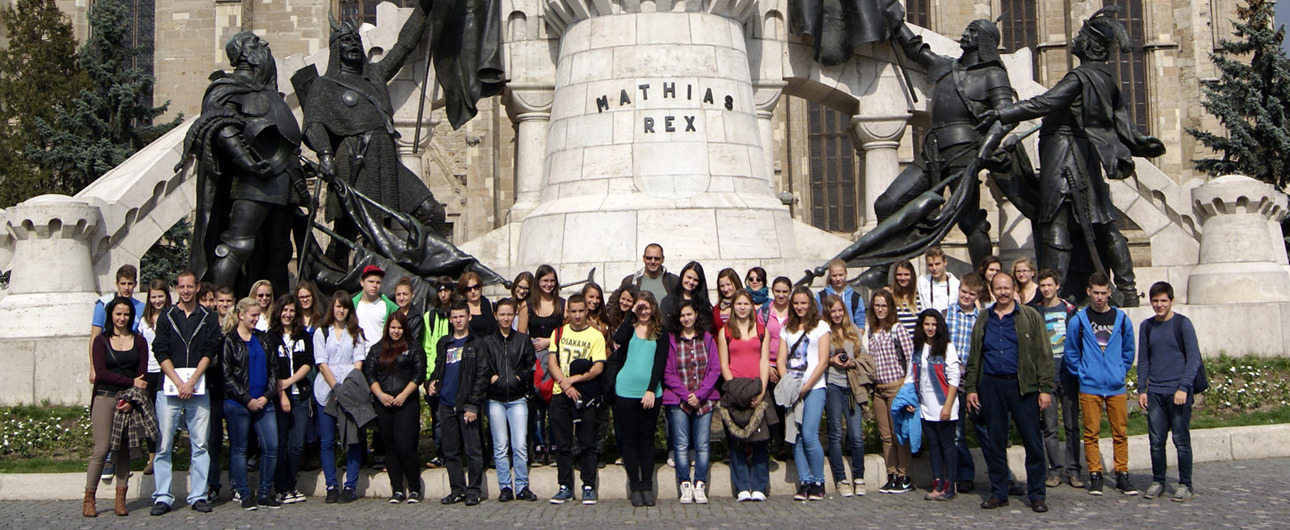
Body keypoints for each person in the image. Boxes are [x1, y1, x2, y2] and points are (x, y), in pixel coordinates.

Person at [982, 8, 1166, 306]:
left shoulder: (1079, 77)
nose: (1076, 40)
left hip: (1063, 155)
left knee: (1055, 220)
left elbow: (1045, 102)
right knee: (1103, 222)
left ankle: (1052, 293)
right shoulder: (1104, 78)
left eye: (1082, 36)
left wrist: (1003, 112)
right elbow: (1120, 119)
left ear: (1092, 46)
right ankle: (1129, 289)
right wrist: (1139, 142)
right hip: (1085, 155)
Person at [301, 0, 446, 254]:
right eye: (346, 41)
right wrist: (325, 155)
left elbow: (403, 46)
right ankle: (335, 274)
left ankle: (415, 264)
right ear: (335, 48)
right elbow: (313, 124)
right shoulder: (324, 86)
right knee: (349, 232)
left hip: (386, 160)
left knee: (432, 212)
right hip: (354, 159)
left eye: (356, 40)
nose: (353, 45)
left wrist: (423, 9)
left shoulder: (375, 75)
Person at [182, 30, 298, 292]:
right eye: (256, 42)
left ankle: (277, 309)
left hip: (286, 177)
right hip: (253, 181)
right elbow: (219, 123)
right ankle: (219, 306)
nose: (264, 44)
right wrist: (246, 160)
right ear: (244, 52)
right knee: (238, 245)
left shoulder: (269, 92)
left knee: (279, 249)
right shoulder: (228, 87)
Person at [964, 272, 1053, 512]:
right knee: (995, 442)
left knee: (1032, 441)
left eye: (1006, 288)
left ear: (1014, 289)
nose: (1002, 293)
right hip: (992, 385)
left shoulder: (1030, 316)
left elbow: (1044, 354)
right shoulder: (984, 318)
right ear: (992, 291)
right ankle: (998, 492)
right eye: (998, 288)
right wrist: (971, 388)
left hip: (1023, 386)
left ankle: (1037, 495)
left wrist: (1045, 388)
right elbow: (974, 356)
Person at [150, 271, 221, 516]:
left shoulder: (208, 317)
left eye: (190, 287)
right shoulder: (167, 315)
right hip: (169, 388)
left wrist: (191, 381)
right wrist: (179, 382)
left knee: (200, 444)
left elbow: (210, 350)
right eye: (182, 287)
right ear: (177, 288)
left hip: (198, 388)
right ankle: (162, 496)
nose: (186, 291)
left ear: (197, 288)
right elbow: (160, 350)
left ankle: (199, 495)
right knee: (164, 445)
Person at [1065, 271, 1137, 496]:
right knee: (1091, 433)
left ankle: (1122, 473)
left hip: (1115, 385)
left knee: (1120, 432)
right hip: (1090, 384)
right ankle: (1095, 474)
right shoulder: (1079, 320)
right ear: (1089, 292)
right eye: (1095, 293)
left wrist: (1119, 370)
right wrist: (1082, 373)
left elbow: (1128, 350)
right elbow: (1071, 351)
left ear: (1109, 293)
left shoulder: (1121, 319)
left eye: (1103, 293)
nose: (1099, 297)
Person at [84, 297, 149, 518]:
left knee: (123, 450)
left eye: (126, 314)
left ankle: (120, 499)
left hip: (128, 400)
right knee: (102, 449)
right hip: (105, 397)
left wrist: (132, 399)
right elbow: (101, 373)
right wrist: (131, 382)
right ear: (111, 315)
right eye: (118, 314)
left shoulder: (139, 341)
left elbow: (142, 374)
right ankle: (89, 497)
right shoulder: (101, 341)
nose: (122, 318)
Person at [221, 298, 286, 511]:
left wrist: (267, 396)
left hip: (263, 401)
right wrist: (246, 399)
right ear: (241, 315)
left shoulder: (263, 338)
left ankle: (265, 493)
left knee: (271, 446)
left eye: (258, 315)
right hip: (239, 403)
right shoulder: (230, 341)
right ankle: (244, 494)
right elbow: (227, 376)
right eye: (253, 315)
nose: (256, 319)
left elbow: (274, 369)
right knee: (240, 449)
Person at [1137, 281, 1199, 502]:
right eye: (1155, 301)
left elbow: (1193, 359)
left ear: (1172, 301)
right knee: (1156, 441)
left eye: (1163, 300)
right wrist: (1141, 389)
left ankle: (1186, 484)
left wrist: (1183, 387)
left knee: (1181, 441)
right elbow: (1144, 360)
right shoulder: (1147, 326)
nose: (1159, 305)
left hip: (1178, 392)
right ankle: (1158, 481)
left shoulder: (1182, 324)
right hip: (1155, 391)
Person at [546, 294, 607, 505]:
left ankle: (588, 486)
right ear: (568, 312)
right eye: (573, 311)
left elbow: (598, 367)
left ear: (586, 311)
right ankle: (564, 486)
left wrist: (573, 380)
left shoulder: (595, 336)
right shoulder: (558, 333)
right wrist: (564, 383)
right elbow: (552, 362)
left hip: (585, 394)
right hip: (560, 393)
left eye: (581, 311)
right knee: (562, 443)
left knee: (586, 441)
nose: (578, 315)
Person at [611, 291, 667, 507]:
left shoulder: (660, 331)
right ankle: (635, 486)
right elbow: (618, 339)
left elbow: (660, 362)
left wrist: (651, 389)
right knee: (630, 439)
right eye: (640, 307)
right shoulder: (630, 327)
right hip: (626, 390)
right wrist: (632, 313)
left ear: (653, 308)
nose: (644, 312)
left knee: (646, 439)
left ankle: (647, 486)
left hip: (650, 393)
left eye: (647, 307)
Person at [364, 312, 426, 504]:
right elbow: (370, 375)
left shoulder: (414, 348)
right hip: (384, 404)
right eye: (393, 328)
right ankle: (397, 489)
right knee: (390, 449)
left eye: (399, 328)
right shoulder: (376, 349)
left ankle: (414, 488)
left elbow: (419, 374)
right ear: (387, 328)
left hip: (406, 403)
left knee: (406, 447)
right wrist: (381, 395)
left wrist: (403, 396)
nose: (396, 331)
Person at [663, 300, 721, 505]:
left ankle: (700, 483)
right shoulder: (672, 340)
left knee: (702, 445)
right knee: (681, 445)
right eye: (682, 315)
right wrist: (687, 395)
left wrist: (700, 394)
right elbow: (668, 373)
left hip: (704, 400)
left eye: (689, 314)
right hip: (679, 400)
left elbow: (715, 369)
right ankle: (685, 483)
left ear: (696, 314)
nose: (686, 318)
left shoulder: (707, 338)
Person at [430, 301, 488, 505]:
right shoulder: (444, 343)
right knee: (451, 451)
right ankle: (457, 489)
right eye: (454, 317)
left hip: (467, 404)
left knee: (473, 450)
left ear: (469, 317)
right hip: (446, 402)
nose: (458, 320)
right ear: (450, 319)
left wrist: (473, 404)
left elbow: (482, 376)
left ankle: (474, 490)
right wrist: (432, 381)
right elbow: (439, 367)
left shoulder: (477, 343)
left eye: (462, 316)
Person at [313, 291, 367, 503]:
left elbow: (358, 362)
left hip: (349, 390)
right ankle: (331, 485)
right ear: (332, 308)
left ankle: (350, 486)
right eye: (338, 306)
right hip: (326, 390)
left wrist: (346, 389)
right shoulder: (321, 332)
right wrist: (335, 388)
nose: (341, 310)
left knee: (352, 439)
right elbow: (321, 363)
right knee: (327, 440)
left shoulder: (356, 333)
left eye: (344, 307)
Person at [481, 298, 538, 502]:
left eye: (509, 314)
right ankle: (505, 486)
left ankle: (522, 486)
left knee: (520, 444)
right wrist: (492, 377)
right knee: (500, 445)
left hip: (517, 397)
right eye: (502, 314)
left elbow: (530, 365)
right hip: (495, 399)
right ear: (495, 316)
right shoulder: (487, 341)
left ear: (514, 316)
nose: (505, 318)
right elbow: (483, 366)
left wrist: (518, 378)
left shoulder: (522, 340)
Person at [718, 290, 772, 501]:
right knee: (737, 441)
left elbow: (764, 361)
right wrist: (734, 389)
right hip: (735, 389)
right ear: (733, 307)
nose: (742, 308)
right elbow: (724, 364)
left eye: (746, 304)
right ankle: (742, 486)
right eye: (738, 304)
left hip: (757, 387)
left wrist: (762, 390)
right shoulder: (725, 331)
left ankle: (758, 486)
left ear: (752, 306)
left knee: (760, 440)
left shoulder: (762, 330)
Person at [778, 287, 831, 501]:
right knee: (796, 436)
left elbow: (823, 360)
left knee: (809, 434)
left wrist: (806, 386)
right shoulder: (787, 328)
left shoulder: (821, 326)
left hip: (814, 387)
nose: (800, 307)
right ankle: (805, 481)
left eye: (804, 303)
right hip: (793, 388)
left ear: (810, 304)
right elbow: (781, 360)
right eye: (796, 303)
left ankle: (819, 481)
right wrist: (788, 383)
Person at [1031, 268, 1083, 488]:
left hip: (1068, 373)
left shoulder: (1070, 310)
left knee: (1072, 426)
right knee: (1050, 427)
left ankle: (1074, 470)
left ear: (1057, 286)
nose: (1046, 289)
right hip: (1047, 376)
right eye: (1042, 285)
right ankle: (1055, 470)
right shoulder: (1036, 311)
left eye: (1049, 285)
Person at [903, 309, 961, 501]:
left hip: (943, 404)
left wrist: (948, 405)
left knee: (947, 445)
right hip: (925, 406)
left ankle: (950, 484)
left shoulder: (947, 347)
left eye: (934, 324)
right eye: (927, 324)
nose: (930, 328)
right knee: (934, 446)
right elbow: (910, 377)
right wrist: (910, 400)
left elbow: (954, 378)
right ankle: (938, 482)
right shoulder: (918, 348)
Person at [266, 294, 314, 504]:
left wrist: (288, 382)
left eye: (292, 310)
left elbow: (308, 363)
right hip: (279, 399)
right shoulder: (270, 337)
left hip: (300, 395)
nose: (288, 314)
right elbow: (271, 368)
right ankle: (281, 487)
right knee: (280, 444)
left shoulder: (303, 336)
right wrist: (282, 392)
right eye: (285, 310)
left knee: (297, 445)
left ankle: (291, 484)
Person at [868, 290, 915, 494]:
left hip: (896, 386)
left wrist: (909, 389)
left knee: (899, 434)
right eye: (877, 305)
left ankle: (905, 475)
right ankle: (892, 473)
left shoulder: (897, 329)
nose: (880, 309)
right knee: (885, 435)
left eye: (884, 306)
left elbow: (910, 358)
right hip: (879, 389)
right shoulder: (871, 331)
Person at [820, 294, 867, 498]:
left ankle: (859, 477)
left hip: (852, 385)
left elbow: (863, 355)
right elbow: (819, 358)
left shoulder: (853, 330)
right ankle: (841, 479)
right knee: (835, 433)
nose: (837, 314)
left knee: (856, 435)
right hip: (832, 384)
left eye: (840, 310)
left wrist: (852, 363)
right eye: (833, 311)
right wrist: (831, 360)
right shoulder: (824, 331)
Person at [518, 265, 563, 467]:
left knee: (554, 403)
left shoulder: (562, 304)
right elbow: (520, 336)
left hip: (555, 358)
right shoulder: (527, 306)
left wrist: (549, 341)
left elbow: (566, 332)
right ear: (538, 282)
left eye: (552, 281)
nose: (548, 284)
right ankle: (538, 447)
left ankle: (553, 446)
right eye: (545, 280)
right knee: (536, 405)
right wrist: (535, 344)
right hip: (534, 359)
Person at [945, 273, 986, 492]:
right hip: (951, 378)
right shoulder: (947, 313)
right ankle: (964, 474)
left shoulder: (982, 318)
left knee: (984, 428)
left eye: (971, 294)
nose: (966, 296)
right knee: (957, 432)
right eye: (963, 292)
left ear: (978, 296)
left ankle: (1000, 474)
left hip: (973, 378)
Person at [89, 265, 146, 385]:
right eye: (123, 283)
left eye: (130, 284)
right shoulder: (103, 304)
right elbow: (94, 336)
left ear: (135, 284)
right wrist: (92, 368)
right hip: (109, 358)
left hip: (131, 360)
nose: (126, 288)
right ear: (117, 284)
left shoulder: (141, 307)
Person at [139, 279, 172, 475]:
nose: (157, 300)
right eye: (154, 297)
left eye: (161, 296)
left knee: (166, 415)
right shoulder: (144, 321)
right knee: (149, 416)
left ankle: (165, 452)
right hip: (149, 371)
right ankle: (152, 456)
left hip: (167, 371)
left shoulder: (172, 316)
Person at [422, 276, 456, 469]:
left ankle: (456, 453)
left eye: (446, 290)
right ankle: (440, 453)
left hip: (453, 371)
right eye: (440, 291)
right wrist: (429, 376)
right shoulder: (430, 317)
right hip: (435, 373)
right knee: (437, 418)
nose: (443, 294)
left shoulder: (456, 314)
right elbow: (427, 347)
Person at [755, 276, 791, 459]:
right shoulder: (764, 312)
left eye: (785, 291)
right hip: (770, 365)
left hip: (792, 366)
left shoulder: (795, 311)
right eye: (777, 291)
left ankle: (792, 444)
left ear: (790, 292)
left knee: (789, 407)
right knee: (774, 406)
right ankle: (778, 444)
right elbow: (759, 340)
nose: (781, 295)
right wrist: (768, 367)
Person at [816, 259, 866, 333]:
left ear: (846, 274)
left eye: (841, 275)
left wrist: (854, 338)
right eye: (834, 276)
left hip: (850, 336)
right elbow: (819, 320)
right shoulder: (821, 296)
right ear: (829, 276)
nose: (838, 278)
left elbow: (860, 324)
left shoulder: (855, 297)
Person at [661, 261, 712, 332]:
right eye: (689, 277)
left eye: (695, 280)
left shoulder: (703, 304)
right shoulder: (668, 301)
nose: (691, 282)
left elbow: (707, 328)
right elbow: (665, 327)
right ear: (682, 276)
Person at [354, 265, 397, 349]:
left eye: (378, 282)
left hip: (380, 353)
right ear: (362, 282)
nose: (374, 285)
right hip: (356, 354)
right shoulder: (352, 305)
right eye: (371, 281)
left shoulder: (388, 307)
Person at [917, 246, 960, 313]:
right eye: (930, 265)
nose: (934, 268)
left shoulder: (957, 285)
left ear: (945, 262)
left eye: (937, 264)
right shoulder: (921, 281)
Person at [459, 270, 498, 337]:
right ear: (463, 291)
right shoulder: (460, 308)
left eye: (476, 287)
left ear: (481, 288)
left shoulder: (491, 306)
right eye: (468, 289)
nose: (473, 291)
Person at [889, 260, 921, 334]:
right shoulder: (891, 297)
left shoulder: (919, 296)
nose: (903, 278)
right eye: (899, 275)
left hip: (917, 340)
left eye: (906, 274)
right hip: (899, 339)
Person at [392, 277, 424, 349]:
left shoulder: (417, 318)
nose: (401, 298)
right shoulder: (393, 316)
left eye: (405, 294)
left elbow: (414, 343)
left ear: (412, 294)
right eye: (398, 294)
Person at [712, 268, 744, 333]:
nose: (725, 289)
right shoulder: (716, 309)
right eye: (722, 286)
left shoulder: (745, 305)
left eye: (728, 284)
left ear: (736, 283)